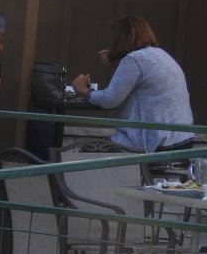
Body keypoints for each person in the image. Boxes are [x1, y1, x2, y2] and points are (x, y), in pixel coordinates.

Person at [70, 15, 195, 153]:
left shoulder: (134, 59)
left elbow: (110, 99)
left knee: (88, 151)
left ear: (121, 40)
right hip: (182, 139)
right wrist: (118, 60)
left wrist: (84, 90)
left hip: (152, 141)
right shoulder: (161, 55)